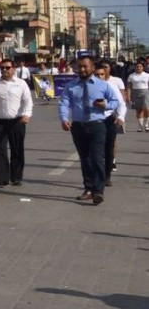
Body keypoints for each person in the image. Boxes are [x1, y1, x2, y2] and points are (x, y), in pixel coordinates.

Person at [59, 57, 120, 205]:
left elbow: (115, 101)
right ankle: (88, 188)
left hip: (97, 125)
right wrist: (64, 118)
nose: (82, 70)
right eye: (79, 67)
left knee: (97, 157)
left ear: (92, 67)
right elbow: (64, 102)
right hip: (78, 126)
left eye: (85, 67)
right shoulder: (71, 86)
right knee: (85, 158)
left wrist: (105, 105)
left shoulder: (103, 85)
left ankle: (98, 190)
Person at [0, 61, 33, 187]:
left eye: (8, 68)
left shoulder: (21, 84)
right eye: (2, 68)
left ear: (13, 69)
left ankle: (16, 177)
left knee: (17, 149)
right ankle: (2, 178)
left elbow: (28, 101)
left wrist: (27, 114)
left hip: (17, 120)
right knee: (0, 150)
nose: (5, 70)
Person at [95, 61, 127, 187]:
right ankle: (95, 178)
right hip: (92, 121)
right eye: (96, 74)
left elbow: (121, 103)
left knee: (109, 148)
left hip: (108, 119)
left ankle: (107, 175)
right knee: (95, 150)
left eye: (101, 74)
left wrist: (121, 117)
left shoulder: (111, 85)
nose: (99, 77)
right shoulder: (86, 85)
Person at [127, 61, 149, 131]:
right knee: (138, 110)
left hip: (145, 92)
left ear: (143, 68)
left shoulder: (147, 75)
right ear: (135, 67)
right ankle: (140, 126)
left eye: (140, 66)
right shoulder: (131, 76)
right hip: (135, 92)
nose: (139, 68)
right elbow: (129, 87)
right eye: (137, 66)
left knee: (147, 109)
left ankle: (146, 125)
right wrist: (128, 95)